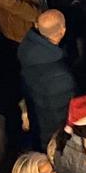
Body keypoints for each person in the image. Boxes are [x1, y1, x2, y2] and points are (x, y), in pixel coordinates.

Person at [16, 9, 76, 148]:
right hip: (53, 134)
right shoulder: (61, 76)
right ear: (62, 31)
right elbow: (64, 113)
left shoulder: (26, 47)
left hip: (36, 118)